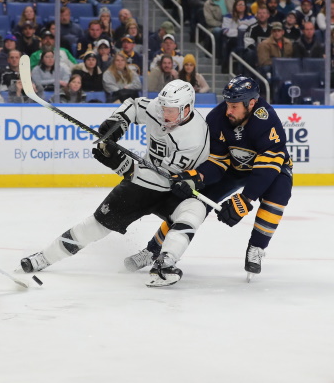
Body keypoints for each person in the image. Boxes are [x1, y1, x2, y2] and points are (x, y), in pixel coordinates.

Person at [20, 80, 209, 287]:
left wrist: (123, 166)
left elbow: (164, 176)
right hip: (142, 185)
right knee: (95, 225)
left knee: (195, 210)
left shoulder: (195, 138)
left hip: (173, 188)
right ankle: (45, 257)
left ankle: (165, 263)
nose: (164, 114)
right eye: (163, 108)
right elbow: (135, 106)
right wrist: (118, 122)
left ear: (187, 109)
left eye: (170, 111)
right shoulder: (159, 107)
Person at [128, 76, 292, 281]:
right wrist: (196, 177)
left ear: (251, 103)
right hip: (232, 168)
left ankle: (256, 247)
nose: (228, 111)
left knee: (279, 194)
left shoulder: (267, 120)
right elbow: (217, 160)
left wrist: (246, 198)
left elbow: (268, 167)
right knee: (192, 204)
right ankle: (153, 250)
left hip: (272, 168)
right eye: (227, 104)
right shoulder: (217, 118)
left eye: (234, 106)